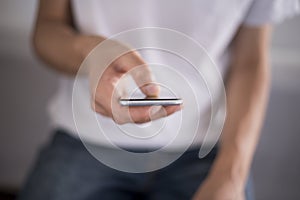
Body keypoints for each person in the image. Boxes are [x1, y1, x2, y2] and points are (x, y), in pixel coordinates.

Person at [18, 0, 299, 200]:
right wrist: (89, 55)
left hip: (206, 149)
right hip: (85, 139)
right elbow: (47, 28)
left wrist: (232, 173)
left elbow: (250, 60)